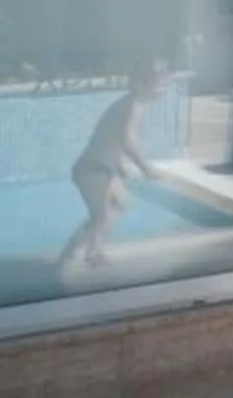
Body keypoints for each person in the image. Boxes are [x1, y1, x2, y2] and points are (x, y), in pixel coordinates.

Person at [61, 59, 171, 270]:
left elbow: (110, 137)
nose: (164, 90)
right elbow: (128, 140)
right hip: (93, 170)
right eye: (161, 84)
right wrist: (146, 168)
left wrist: (119, 166)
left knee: (118, 204)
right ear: (144, 83)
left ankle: (75, 251)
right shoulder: (132, 105)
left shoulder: (129, 103)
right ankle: (92, 254)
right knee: (101, 215)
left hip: (102, 168)